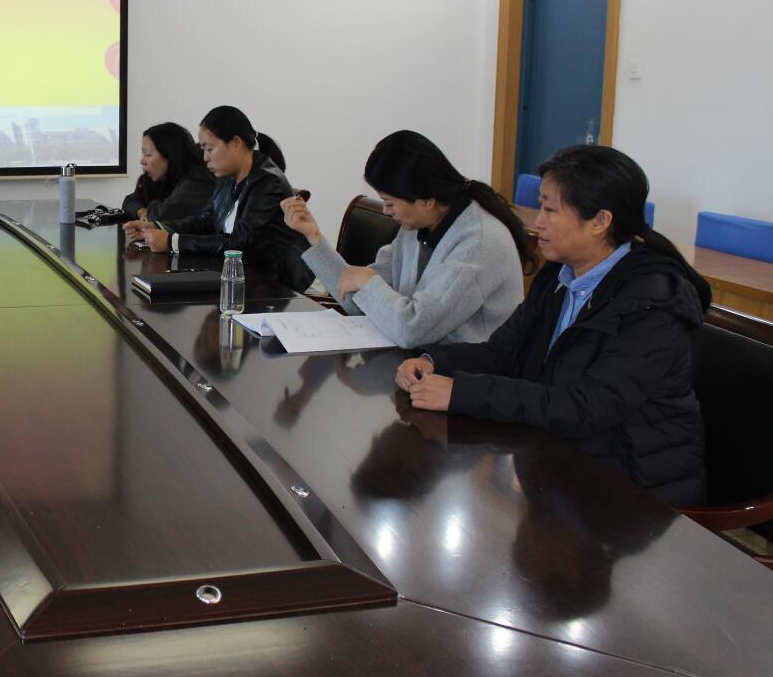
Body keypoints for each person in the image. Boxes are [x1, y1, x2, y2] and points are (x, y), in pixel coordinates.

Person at [395, 144, 711, 505]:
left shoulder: (652, 302)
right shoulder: (559, 275)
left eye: (550, 209)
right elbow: (503, 352)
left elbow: (587, 407)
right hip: (560, 462)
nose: (538, 222)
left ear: (599, 221)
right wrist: (433, 361)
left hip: (633, 490)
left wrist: (461, 392)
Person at [282, 130, 534, 348]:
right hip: (423, 364)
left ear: (426, 200)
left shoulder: (478, 243)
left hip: (468, 376)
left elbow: (412, 329)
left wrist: (368, 282)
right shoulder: (416, 229)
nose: (386, 211)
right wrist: (314, 237)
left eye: (390, 202)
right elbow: (359, 300)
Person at [124, 106, 314, 292]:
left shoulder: (269, 182)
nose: (205, 158)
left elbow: (239, 244)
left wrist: (171, 241)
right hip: (235, 277)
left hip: (274, 287)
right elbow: (202, 222)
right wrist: (156, 227)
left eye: (209, 149)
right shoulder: (226, 178)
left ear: (236, 143)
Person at [121, 122, 214, 224]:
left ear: (170, 154)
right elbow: (130, 200)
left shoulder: (198, 181)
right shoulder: (160, 178)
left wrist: (149, 210)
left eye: (148, 154)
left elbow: (157, 216)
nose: (142, 161)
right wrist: (142, 211)